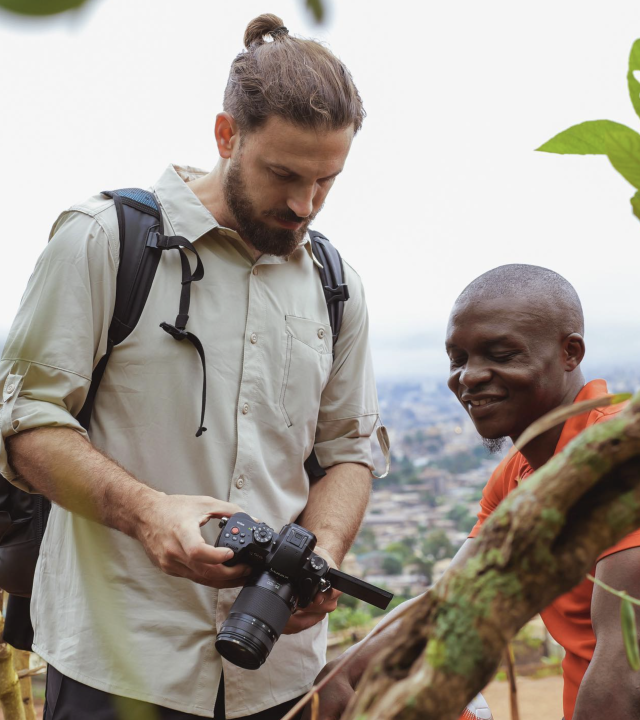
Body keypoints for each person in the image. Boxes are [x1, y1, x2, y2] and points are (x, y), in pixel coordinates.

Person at [0, 14, 381, 720]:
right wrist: (150, 516)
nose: (304, 204)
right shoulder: (104, 241)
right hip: (117, 667)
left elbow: (348, 453)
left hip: (278, 673)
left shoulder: (338, 284)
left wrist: (317, 554)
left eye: (327, 181)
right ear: (226, 135)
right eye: (284, 175)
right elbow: (25, 426)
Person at [308, 264, 640, 720]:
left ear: (570, 352)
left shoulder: (619, 463)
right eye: (458, 358)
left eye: (501, 354)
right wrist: (343, 673)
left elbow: (624, 671)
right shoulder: (519, 473)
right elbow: (449, 602)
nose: (469, 376)